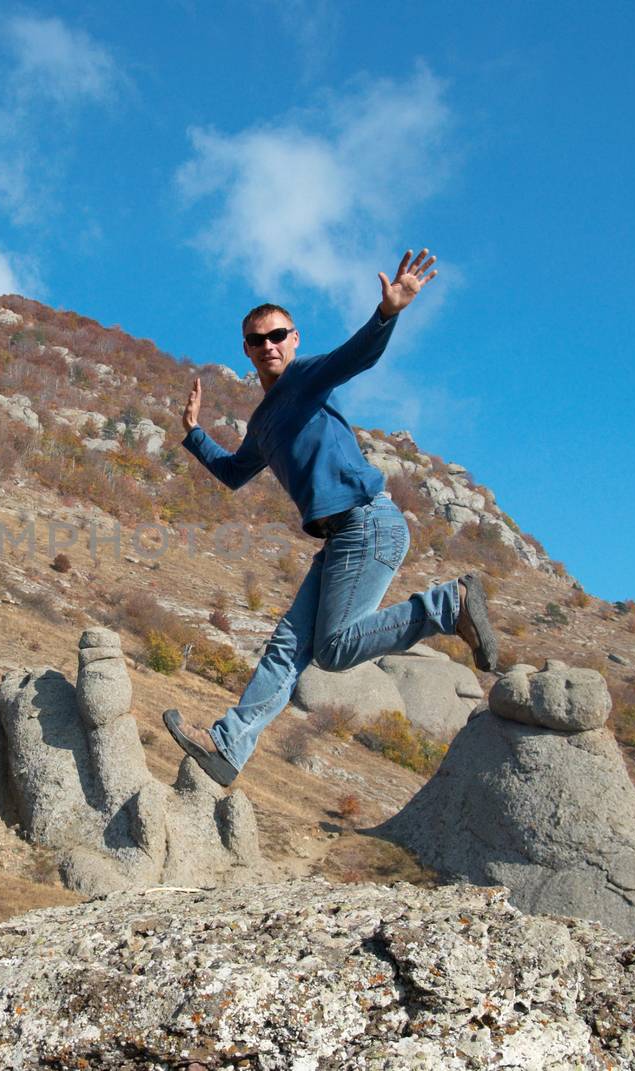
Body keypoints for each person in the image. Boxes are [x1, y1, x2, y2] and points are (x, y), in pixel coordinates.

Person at [162, 249, 500, 787]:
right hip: (341, 538)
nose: (269, 346)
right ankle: (227, 747)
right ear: (246, 351)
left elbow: (355, 357)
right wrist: (193, 432)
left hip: (367, 523)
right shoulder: (264, 421)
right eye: (258, 340)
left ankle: (447, 604)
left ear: (295, 339)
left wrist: (387, 313)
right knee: (286, 648)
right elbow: (232, 473)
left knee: (335, 649)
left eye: (278, 335)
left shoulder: (305, 379)